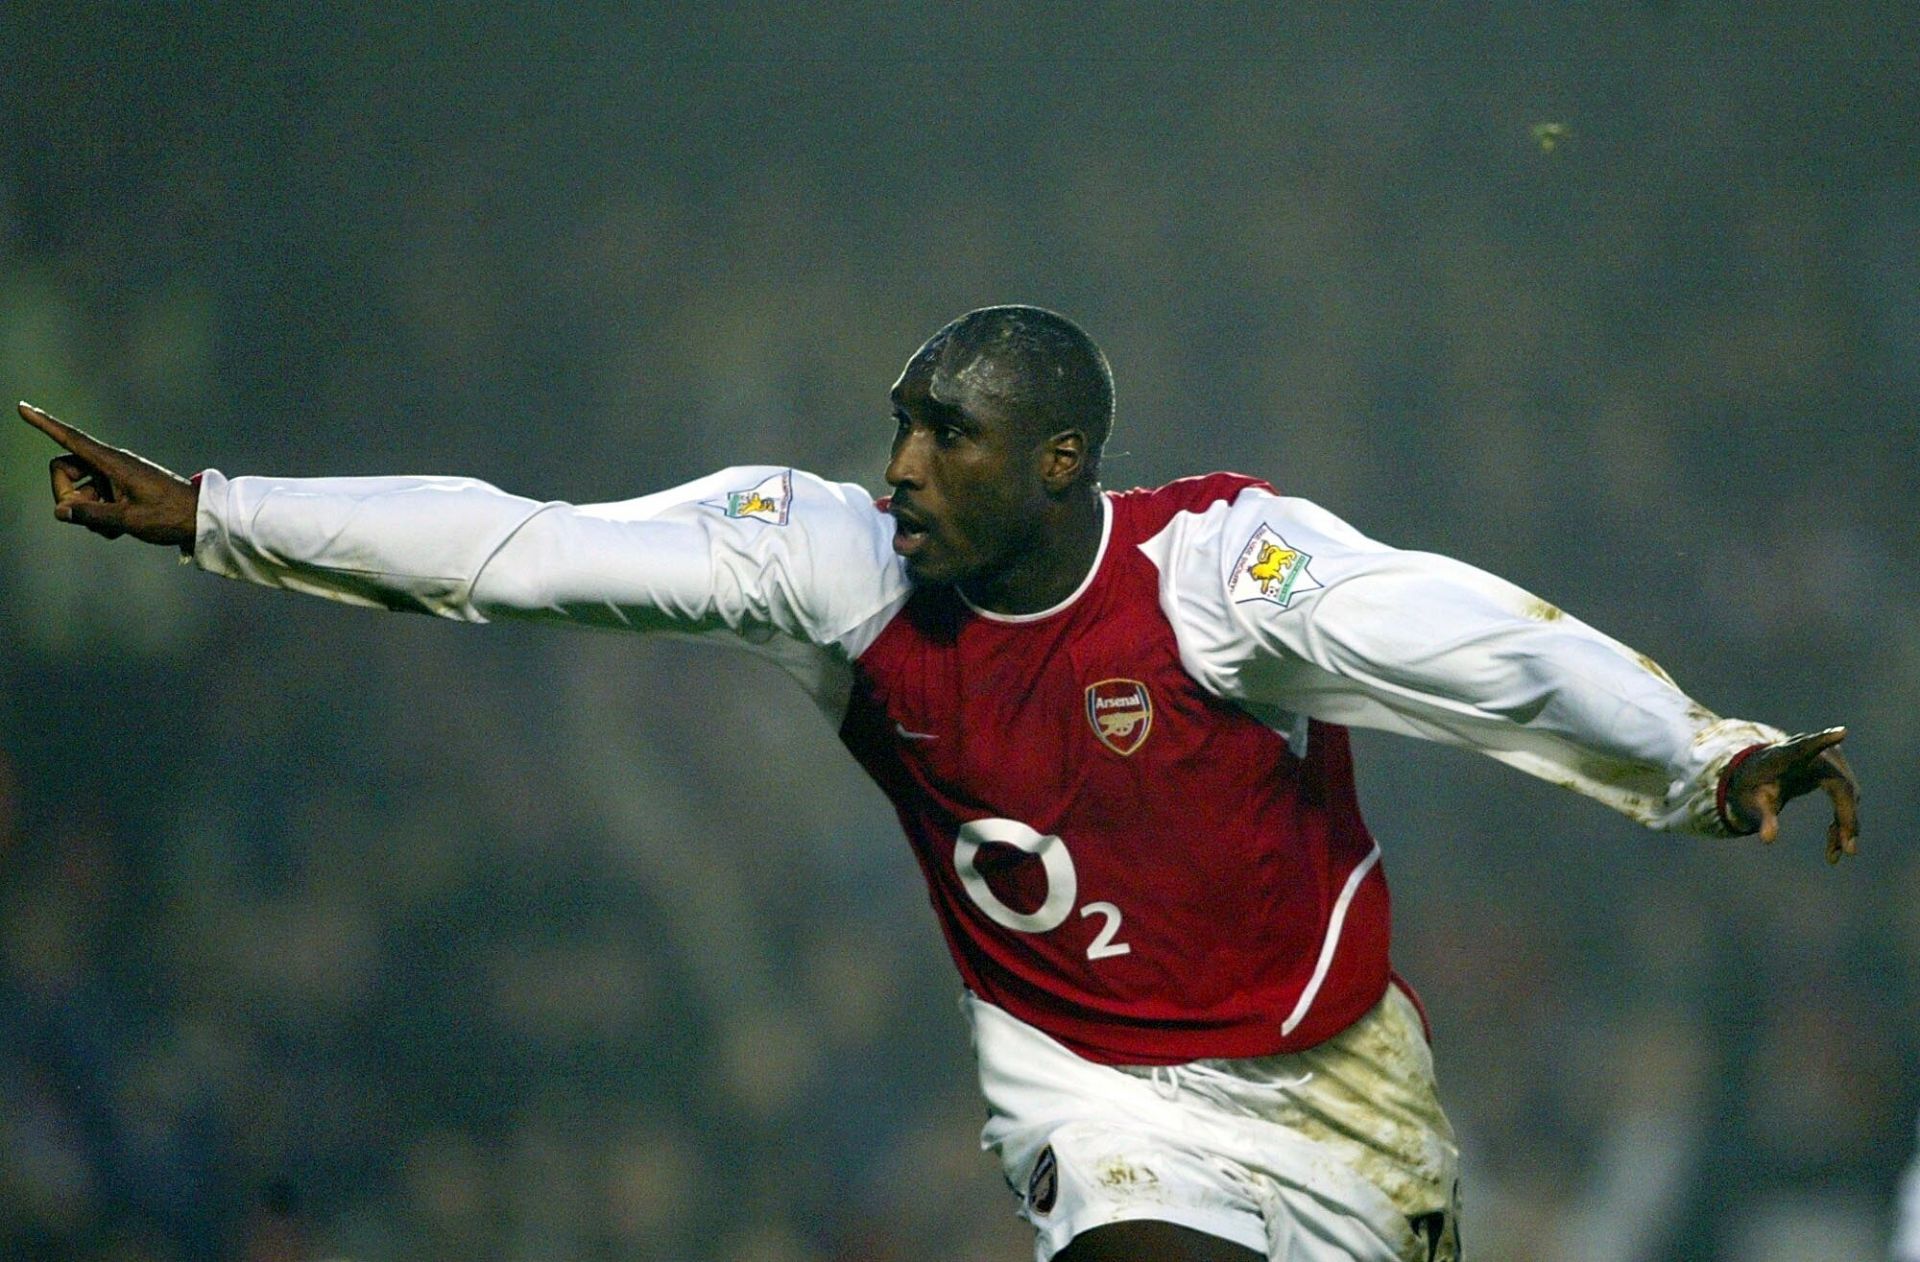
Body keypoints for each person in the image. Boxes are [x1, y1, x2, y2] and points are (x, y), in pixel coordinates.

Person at [17, 305, 1859, 1262]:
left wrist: (1698, 755)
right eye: (895, 421)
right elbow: (519, 548)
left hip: (1342, 1086)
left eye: (943, 434)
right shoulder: (827, 565)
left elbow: (1476, 645)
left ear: (1059, 461)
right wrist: (212, 514)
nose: (894, 463)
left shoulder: (1222, 576)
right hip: (1100, 1096)